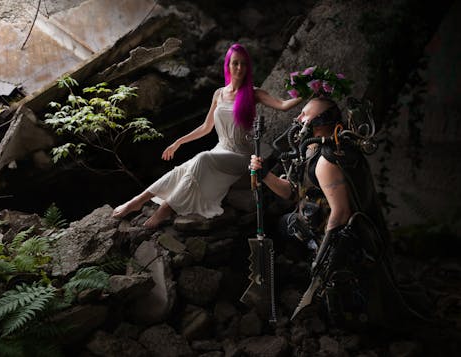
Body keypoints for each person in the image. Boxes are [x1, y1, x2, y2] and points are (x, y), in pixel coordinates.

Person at [250, 96, 428, 329]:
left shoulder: (327, 160)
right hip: (313, 221)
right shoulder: (311, 150)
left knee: (338, 291)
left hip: (338, 236)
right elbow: (293, 193)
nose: (297, 118)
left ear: (321, 120)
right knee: (282, 225)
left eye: (305, 114)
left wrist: (325, 258)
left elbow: (342, 212)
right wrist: (264, 174)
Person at [112, 43, 303, 228]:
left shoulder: (254, 93)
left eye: (244, 63)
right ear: (227, 66)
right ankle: (137, 201)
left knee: (202, 157)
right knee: (182, 168)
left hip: (243, 157)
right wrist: (178, 142)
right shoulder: (219, 94)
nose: (239, 67)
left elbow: (283, 105)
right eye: (235, 63)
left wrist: (310, 88)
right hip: (221, 150)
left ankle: (166, 208)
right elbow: (206, 127)